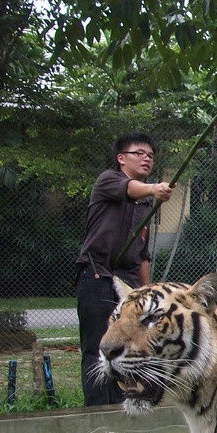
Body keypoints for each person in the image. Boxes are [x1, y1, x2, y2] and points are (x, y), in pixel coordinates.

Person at [75, 132, 173, 406]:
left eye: (150, 156)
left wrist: (145, 292)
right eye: (138, 153)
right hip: (99, 277)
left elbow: (142, 254)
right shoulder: (108, 181)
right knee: (100, 347)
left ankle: (127, 405)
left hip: (128, 288)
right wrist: (155, 189)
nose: (146, 158)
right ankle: (98, 412)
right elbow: (131, 188)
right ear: (121, 159)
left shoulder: (144, 204)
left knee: (133, 347)